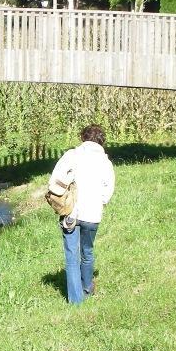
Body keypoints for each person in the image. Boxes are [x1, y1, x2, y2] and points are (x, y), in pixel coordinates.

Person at [49, 124, 115, 304]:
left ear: (83, 138)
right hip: (93, 215)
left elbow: (54, 182)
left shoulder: (72, 155)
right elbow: (107, 192)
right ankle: (87, 288)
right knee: (87, 252)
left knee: (72, 257)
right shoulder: (106, 162)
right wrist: (98, 202)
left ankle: (76, 302)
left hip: (71, 212)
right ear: (102, 141)